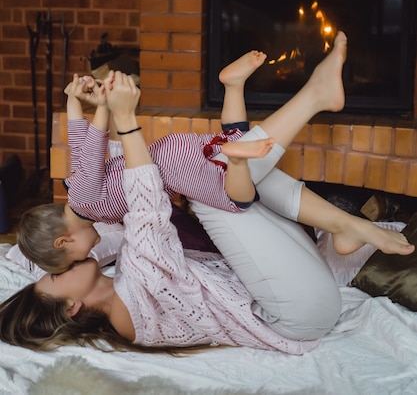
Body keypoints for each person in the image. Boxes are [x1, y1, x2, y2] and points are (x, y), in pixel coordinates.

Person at [0, 45, 414, 352]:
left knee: (218, 171)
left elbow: (88, 186)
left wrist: (89, 108)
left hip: (290, 292)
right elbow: (146, 209)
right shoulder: (130, 310)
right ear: (72, 307)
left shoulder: (115, 271)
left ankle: (343, 221)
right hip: (299, 313)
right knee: (205, 180)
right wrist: (126, 123)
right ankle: (310, 102)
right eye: (55, 275)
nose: (63, 266)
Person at [16, 49, 273, 273]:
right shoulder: (80, 197)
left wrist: (104, 106)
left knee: (238, 200)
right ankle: (232, 84)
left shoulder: (84, 200)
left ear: (63, 241)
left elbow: (92, 149)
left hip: (175, 167)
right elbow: (79, 145)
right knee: (234, 136)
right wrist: (73, 100)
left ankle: (236, 146)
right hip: (170, 150)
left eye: (76, 260)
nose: (87, 257)